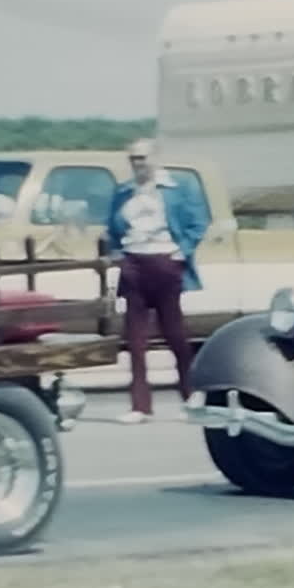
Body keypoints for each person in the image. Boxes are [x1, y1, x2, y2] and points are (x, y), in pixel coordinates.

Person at [105, 139, 211, 424]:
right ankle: (140, 406)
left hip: (165, 262)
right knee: (135, 339)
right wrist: (119, 255)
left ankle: (191, 398)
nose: (137, 164)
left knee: (175, 333)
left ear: (154, 158)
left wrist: (181, 252)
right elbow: (112, 227)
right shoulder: (124, 191)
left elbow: (199, 222)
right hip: (134, 263)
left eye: (141, 158)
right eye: (132, 159)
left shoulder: (178, 188)